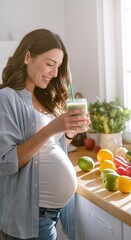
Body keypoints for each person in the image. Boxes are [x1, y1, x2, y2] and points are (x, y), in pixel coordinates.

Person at [0, 28, 90, 240]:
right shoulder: (6, 98)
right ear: (28, 56)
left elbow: (50, 150)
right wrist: (52, 128)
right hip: (30, 215)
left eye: (58, 67)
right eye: (50, 64)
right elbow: (7, 162)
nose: (55, 73)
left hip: (51, 214)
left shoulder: (45, 99)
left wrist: (67, 133)